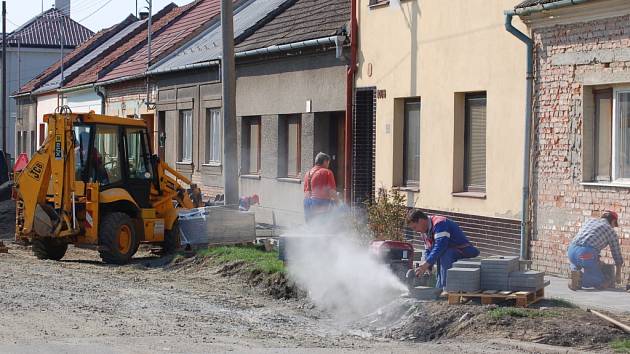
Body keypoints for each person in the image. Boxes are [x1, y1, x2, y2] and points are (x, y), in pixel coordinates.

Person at [407, 210, 480, 290]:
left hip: (465, 250)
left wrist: (426, 263)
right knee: (440, 256)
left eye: (415, 227)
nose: (415, 230)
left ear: (421, 220)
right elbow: (428, 250)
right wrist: (427, 267)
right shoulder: (424, 232)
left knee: (445, 253)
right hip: (450, 253)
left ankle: (446, 289)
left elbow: (440, 246)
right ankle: (440, 288)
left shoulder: (440, 223)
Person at [568, 211, 623, 291]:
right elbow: (616, 254)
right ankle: (580, 280)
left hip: (571, 250)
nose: (613, 227)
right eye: (614, 225)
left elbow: (587, 238)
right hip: (585, 254)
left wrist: (596, 259)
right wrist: (618, 274)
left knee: (577, 262)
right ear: (613, 221)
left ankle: (575, 276)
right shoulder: (611, 231)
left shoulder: (590, 221)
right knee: (599, 282)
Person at [303, 152, 337, 222]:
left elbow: (305, 190)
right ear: (325, 161)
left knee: (310, 226)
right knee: (322, 226)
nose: (328, 165)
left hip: (307, 202)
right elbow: (332, 192)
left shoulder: (308, 173)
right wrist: (338, 202)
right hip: (321, 202)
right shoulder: (327, 172)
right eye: (328, 163)